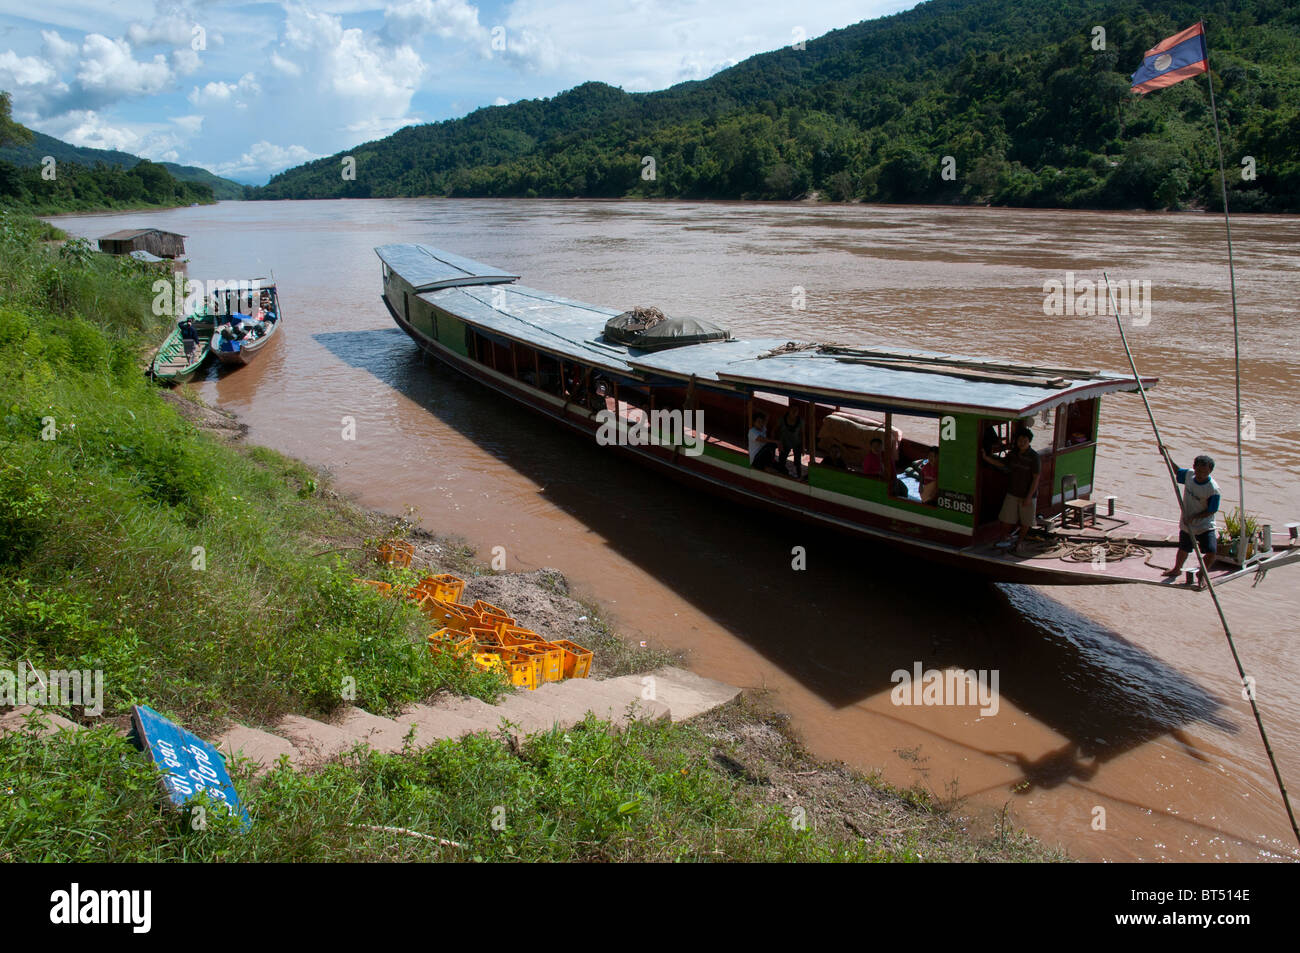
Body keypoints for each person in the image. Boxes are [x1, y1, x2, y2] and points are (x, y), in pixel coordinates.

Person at [1161, 452, 1220, 583]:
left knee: (1211, 552)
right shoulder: (1189, 475)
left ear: (1210, 471)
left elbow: (1212, 510)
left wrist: (1194, 517)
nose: (1200, 474)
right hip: (1188, 524)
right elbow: (1176, 471)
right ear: (1194, 467)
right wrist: (1167, 457)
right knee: (1183, 548)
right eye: (1198, 470)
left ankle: (1201, 574)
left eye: (1205, 472)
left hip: (1205, 524)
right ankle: (1177, 569)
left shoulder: (1213, 489)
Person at [994, 426, 1040, 554]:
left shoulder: (1034, 457)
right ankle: (1004, 538)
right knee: (1006, 518)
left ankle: (1019, 543)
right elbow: (1003, 464)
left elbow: (1036, 478)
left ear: (1029, 440)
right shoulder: (1013, 454)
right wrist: (987, 458)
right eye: (1020, 439)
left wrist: (1029, 497)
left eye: (1025, 439)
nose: (1022, 442)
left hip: (1028, 495)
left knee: (1026, 521)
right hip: (1013, 493)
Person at [775, 406, 806, 479]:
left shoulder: (800, 421)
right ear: (788, 410)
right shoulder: (782, 419)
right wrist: (778, 443)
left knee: (798, 462)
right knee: (782, 460)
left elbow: (803, 434)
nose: (795, 412)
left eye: (796, 410)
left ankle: (799, 476)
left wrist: (803, 447)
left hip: (797, 443)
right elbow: (774, 430)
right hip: (785, 443)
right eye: (793, 410)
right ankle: (781, 474)